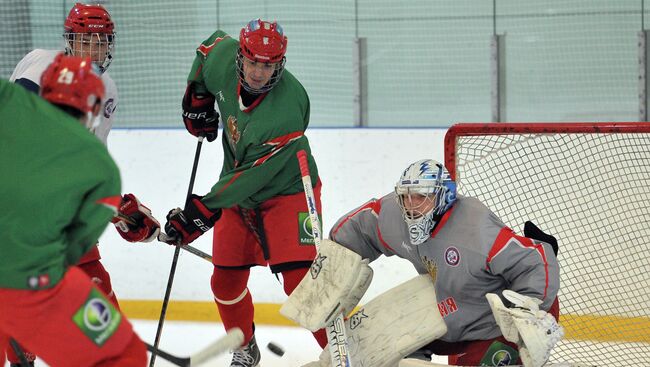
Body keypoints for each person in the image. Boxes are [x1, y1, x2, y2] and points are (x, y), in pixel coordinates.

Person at [160, 18, 327, 367]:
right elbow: (208, 47)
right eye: (252, 62)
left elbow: (254, 176)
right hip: (235, 188)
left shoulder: (287, 109)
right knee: (224, 282)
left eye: (267, 66)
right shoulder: (224, 57)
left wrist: (203, 209)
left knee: (300, 284)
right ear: (241, 55)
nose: (257, 73)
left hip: (289, 190)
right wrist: (196, 94)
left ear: (279, 64)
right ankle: (246, 348)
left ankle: (346, 353)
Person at [290, 159, 562, 367]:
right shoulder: (397, 218)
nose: (411, 205)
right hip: (450, 307)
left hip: (500, 324)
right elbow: (362, 228)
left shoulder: (475, 230)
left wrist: (529, 308)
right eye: (406, 196)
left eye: (421, 196)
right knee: (390, 353)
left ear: (443, 196)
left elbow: (536, 258)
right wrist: (335, 263)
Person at [6, 4, 159, 365]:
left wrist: (122, 211)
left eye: (100, 42)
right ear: (70, 42)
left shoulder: (107, 90)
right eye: (85, 41)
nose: (93, 50)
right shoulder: (41, 64)